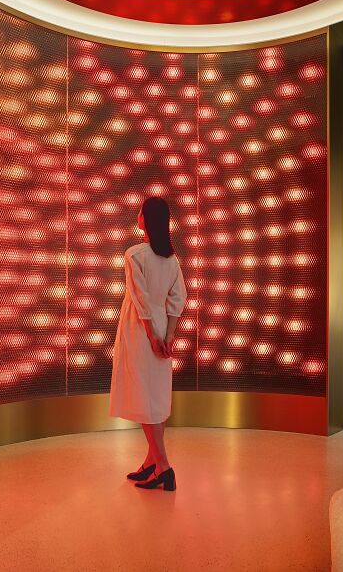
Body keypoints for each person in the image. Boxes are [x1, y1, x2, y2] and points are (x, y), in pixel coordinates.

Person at [108, 196, 187, 491]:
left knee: (145, 399)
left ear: (144, 219)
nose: (137, 214)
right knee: (155, 396)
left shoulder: (134, 254)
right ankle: (151, 461)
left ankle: (164, 466)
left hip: (140, 329)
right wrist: (168, 336)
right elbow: (178, 298)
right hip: (162, 326)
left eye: (140, 211)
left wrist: (152, 336)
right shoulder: (171, 258)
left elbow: (140, 299)